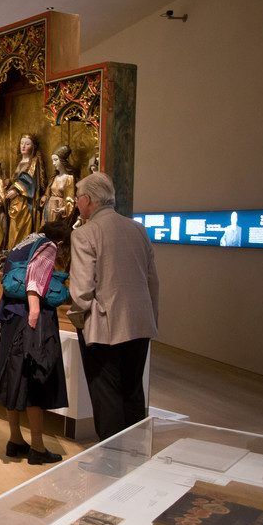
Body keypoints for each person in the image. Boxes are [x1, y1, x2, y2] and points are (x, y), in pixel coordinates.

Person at [67, 173, 160, 441]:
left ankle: (111, 459)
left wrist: (79, 318)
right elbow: (152, 281)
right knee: (133, 392)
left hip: (104, 325)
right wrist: (150, 317)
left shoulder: (85, 233)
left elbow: (82, 290)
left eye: (78, 197)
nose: (76, 202)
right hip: (139, 323)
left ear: (88, 200)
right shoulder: (138, 229)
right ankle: (135, 453)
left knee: (106, 395)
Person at [0, 221, 71, 465]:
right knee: (35, 379)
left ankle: (15, 439)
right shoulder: (48, 246)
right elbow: (35, 280)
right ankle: (37, 446)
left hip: (11, 318)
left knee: (12, 379)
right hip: (30, 320)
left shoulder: (23, 243)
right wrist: (35, 313)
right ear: (60, 242)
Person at [6, 133, 47, 249]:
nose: (23, 146)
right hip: (15, 201)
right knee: (13, 227)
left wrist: (16, 190)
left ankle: (20, 251)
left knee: (21, 226)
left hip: (25, 200)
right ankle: (12, 250)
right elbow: (16, 179)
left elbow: (30, 179)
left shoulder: (34, 161)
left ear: (33, 147)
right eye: (22, 143)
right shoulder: (19, 161)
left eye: (27, 144)